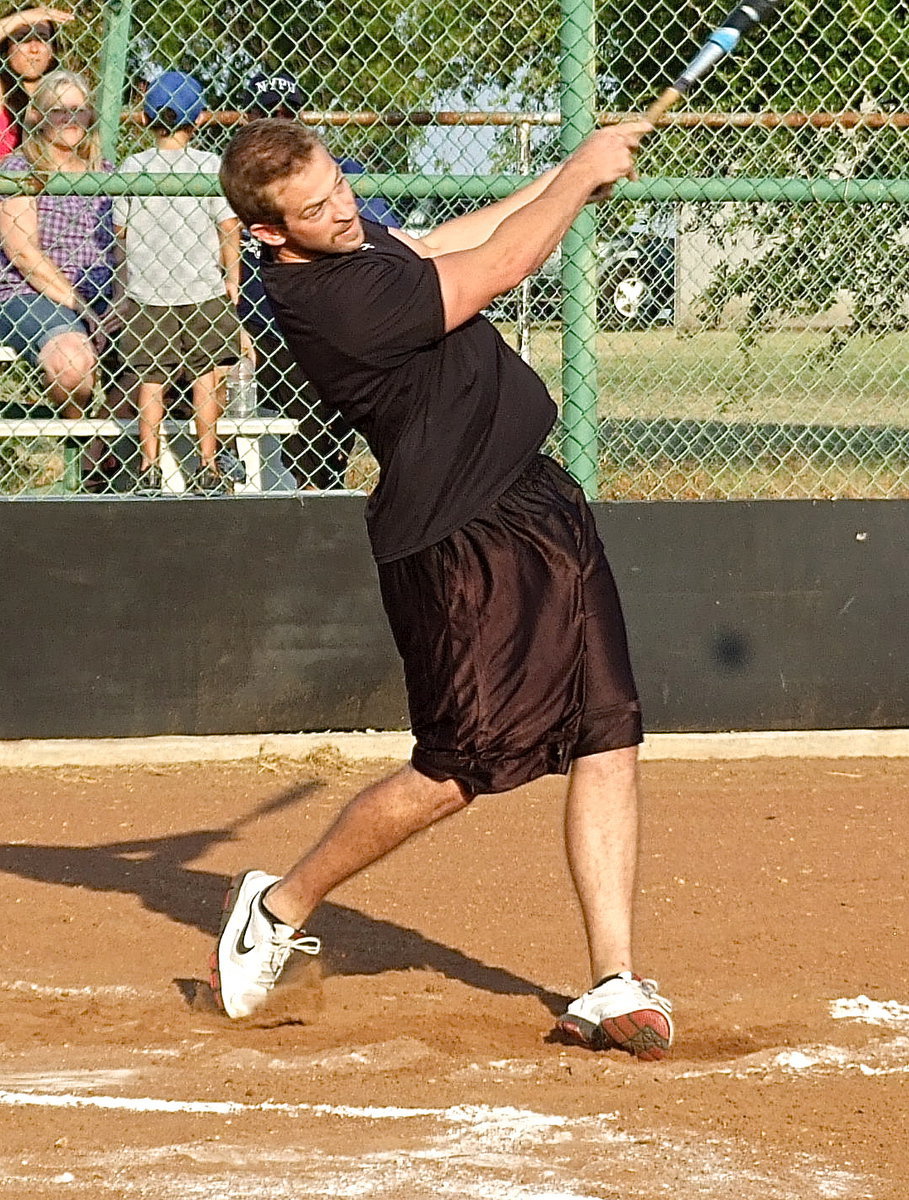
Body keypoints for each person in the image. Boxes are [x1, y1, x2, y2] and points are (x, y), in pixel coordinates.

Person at [213, 117, 674, 1060]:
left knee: (607, 732)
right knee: (459, 768)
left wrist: (566, 179)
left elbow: (435, 243)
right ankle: (278, 905)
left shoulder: (350, 238)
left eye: (338, 185)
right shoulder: (327, 301)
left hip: (535, 500)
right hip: (458, 543)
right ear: (270, 233)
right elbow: (498, 267)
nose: (342, 208)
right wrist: (578, 178)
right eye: (316, 207)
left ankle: (612, 978)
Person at [238, 70, 401, 490]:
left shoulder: (336, 175)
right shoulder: (234, 184)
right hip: (256, 330)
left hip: (320, 325)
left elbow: (383, 237)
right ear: (245, 120)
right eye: (264, 117)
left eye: (287, 116)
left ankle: (320, 490)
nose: (278, 127)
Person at [113, 70, 242, 494]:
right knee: (207, 377)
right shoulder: (208, 166)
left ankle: (148, 465)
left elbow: (122, 234)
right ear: (200, 118)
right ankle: (208, 465)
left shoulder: (133, 167)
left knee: (151, 381)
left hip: (148, 292)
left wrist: (124, 285)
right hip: (202, 289)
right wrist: (232, 279)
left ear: (147, 120)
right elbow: (228, 227)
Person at [0, 69, 116, 416]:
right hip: (32, 294)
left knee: (174, 339)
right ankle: (77, 437)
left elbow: (124, 247)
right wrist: (80, 305)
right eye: (58, 110)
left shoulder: (106, 172)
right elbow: (23, 253)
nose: (70, 118)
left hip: (107, 293)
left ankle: (101, 454)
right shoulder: (19, 169)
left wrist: (122, 301)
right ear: (37, 115)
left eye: (78, 109)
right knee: (71, 362)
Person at [0, 5, 70, 155]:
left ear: (51, 51)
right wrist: (19, 18)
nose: (34, 49)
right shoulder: (2, 89)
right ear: (7, 48)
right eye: (22, 39)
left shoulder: (65, 90)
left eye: (42, 39)